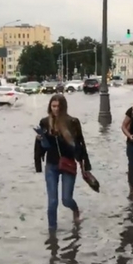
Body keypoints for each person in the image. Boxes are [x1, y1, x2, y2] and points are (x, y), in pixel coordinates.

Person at [34, 94, 91, 231]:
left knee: (66, 199)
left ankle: (75, 209)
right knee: (52, 202)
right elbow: (39, 146)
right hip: (52, 165)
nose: (56, 109)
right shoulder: (45, 122)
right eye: (53, 106)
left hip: (68, 164)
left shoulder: (72, 122)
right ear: (50, 107)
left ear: (64, 107)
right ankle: (52, 232)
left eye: (59, 106)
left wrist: (85, 165)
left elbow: (80, 143)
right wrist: (41, 142)